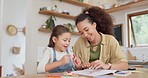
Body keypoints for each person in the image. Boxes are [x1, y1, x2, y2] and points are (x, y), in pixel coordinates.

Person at [73, 6, 128, 70]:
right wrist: (79, 66)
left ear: (94, 25)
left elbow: (124, 65)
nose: (85, 35)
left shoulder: (110, 40)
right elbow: (75, 67)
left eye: (87, 30)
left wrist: (107, 66)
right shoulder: (79, 43)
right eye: (81, 33)